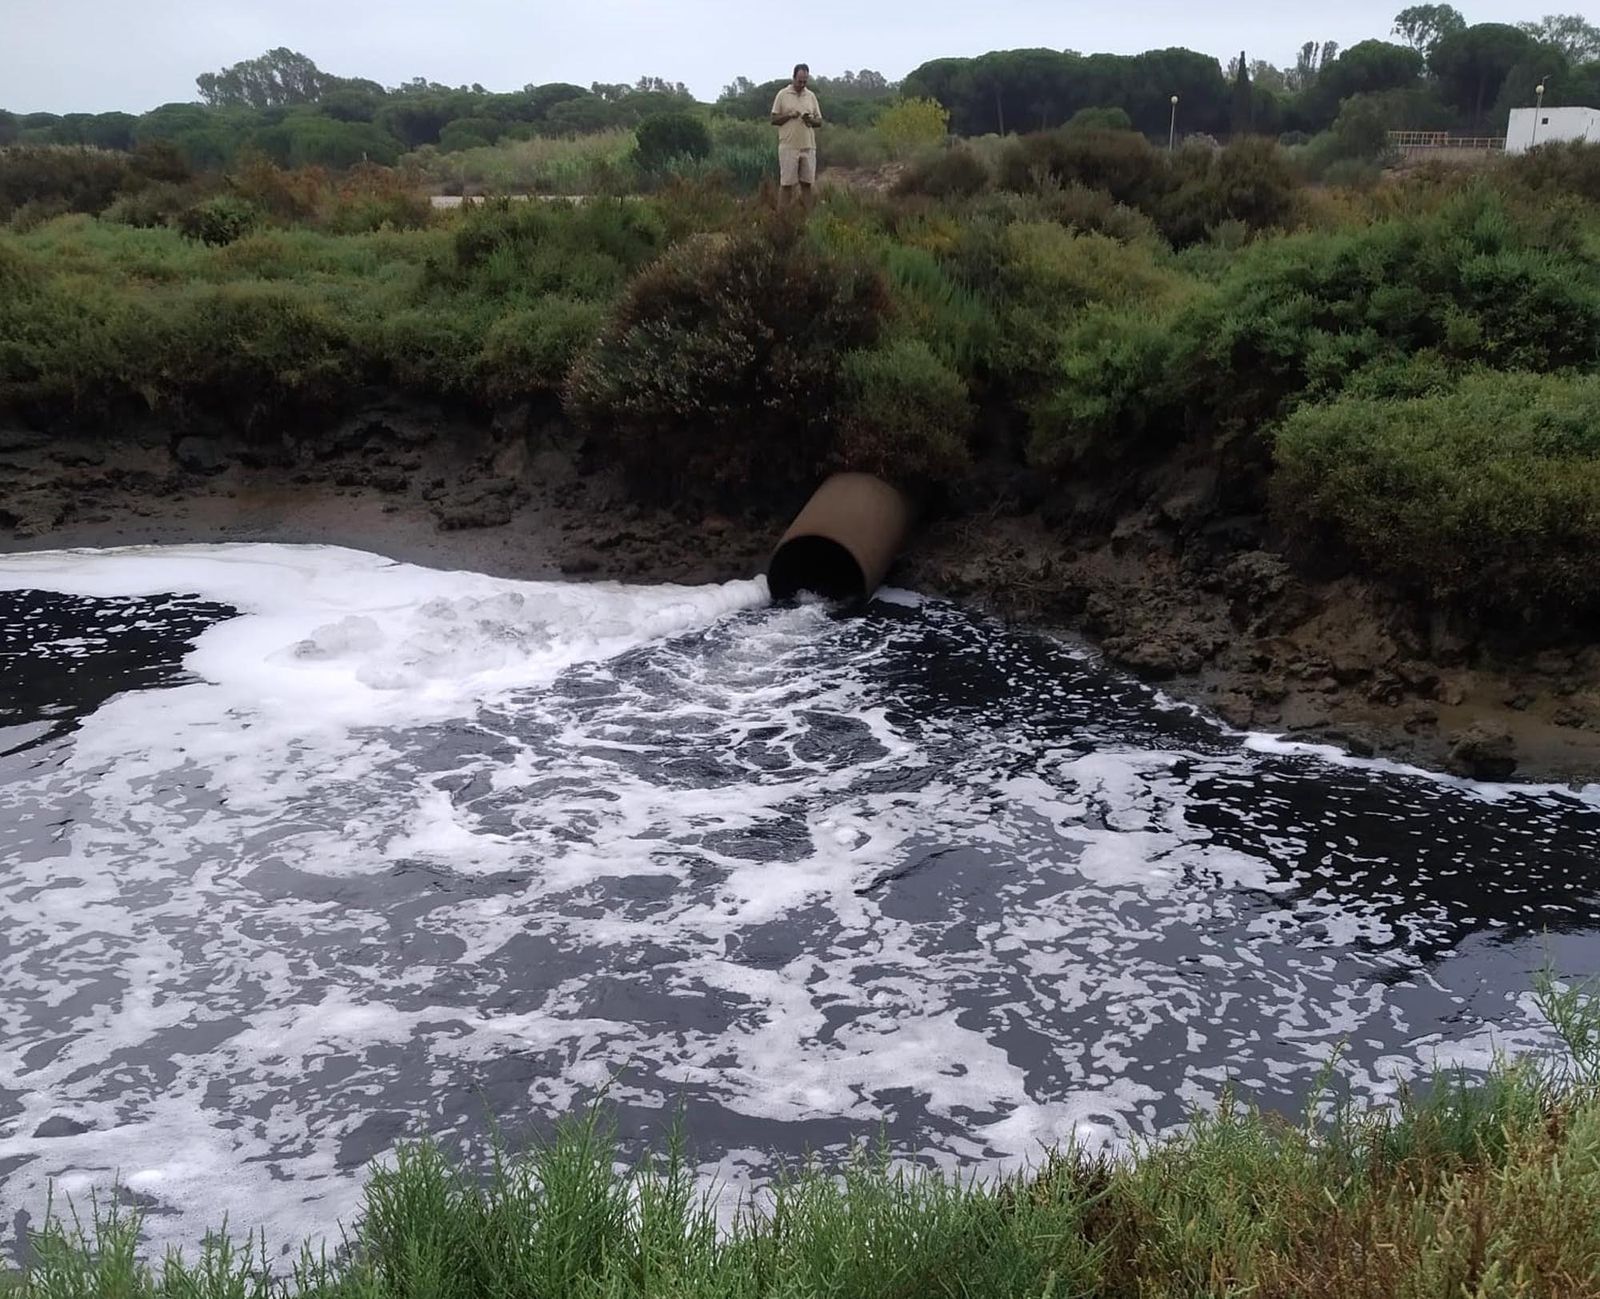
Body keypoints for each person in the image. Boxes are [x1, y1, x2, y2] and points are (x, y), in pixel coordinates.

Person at [770, 63, 823, 206]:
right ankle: (782, 220)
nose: (802, 84)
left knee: (807, 184)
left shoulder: (811, 96)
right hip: (788, 146)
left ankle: (809, 219)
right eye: (799, 81)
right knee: (786, 185)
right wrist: (789, 115)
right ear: (793, 78)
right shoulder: (782, 94)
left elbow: (819, 121)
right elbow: (773, 119)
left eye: (805, 81)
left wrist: (810, 120)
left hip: (808, 146)